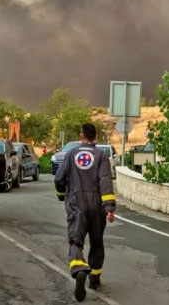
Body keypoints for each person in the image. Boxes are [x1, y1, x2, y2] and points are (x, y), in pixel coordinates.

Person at [54, 123, 116, 302]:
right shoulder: (101, 156)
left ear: (81, 136)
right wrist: (109, 208)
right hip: (97, 205)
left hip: (76, 203)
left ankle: (79, 268)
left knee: (76, 240)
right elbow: (105, 181)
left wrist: (61, 195)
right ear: (95, 136)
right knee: (97, 241)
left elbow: (59, 178)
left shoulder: (71, 154)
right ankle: (94, 279)